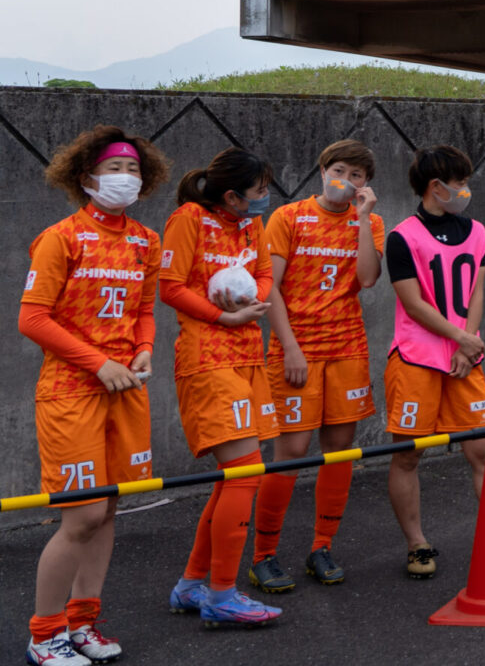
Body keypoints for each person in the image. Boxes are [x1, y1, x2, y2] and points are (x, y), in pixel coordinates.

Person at [21, 127, 170, 665]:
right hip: (70, 393)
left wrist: (144, 349)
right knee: (81, 517)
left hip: (126, 390)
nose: (125, 178)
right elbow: (32, 318)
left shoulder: (147, 240)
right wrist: (98, 362)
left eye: (133, 169)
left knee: (107, 511)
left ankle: (82, 623)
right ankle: (45, 635)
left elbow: (144, 309)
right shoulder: (60, 237)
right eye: (114, 169)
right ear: (86, 177)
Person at [381, 145, 485, 580]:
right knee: (408, 456)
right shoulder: (402, 236)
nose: (464, 190)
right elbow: (412, 303)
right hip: (416, 358)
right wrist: (460, 338)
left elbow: (476, 292)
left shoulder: (477, 231)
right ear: (435, 187)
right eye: (459, 183)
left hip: (465, 358)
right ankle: (417, 545)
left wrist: (466, 344)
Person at [251, 140, 385, 594]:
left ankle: (322, 546)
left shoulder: (371, 222)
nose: (345, 180)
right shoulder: (288, 216)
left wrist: (363, 219)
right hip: (296, 349)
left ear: (366, 184)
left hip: (347, 348)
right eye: (339, 170)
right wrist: (289, 347)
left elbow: (367, 278)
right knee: (291, 451)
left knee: (340, 448)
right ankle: (264, 554)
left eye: (356, 175)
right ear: (323, 169)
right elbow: (270, 287)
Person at [160, 148, 282, 626]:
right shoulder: (188, 219)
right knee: (246, 474)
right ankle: (222, 594)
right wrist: (221, 315)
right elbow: (170, 286)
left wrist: (254, 298)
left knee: (236, 476)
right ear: (231, 196)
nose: (264, 199)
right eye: (258, 191)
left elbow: (266, 273)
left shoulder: (252, 224)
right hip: (207, 360)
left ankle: (192, 585)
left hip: (250, 355)